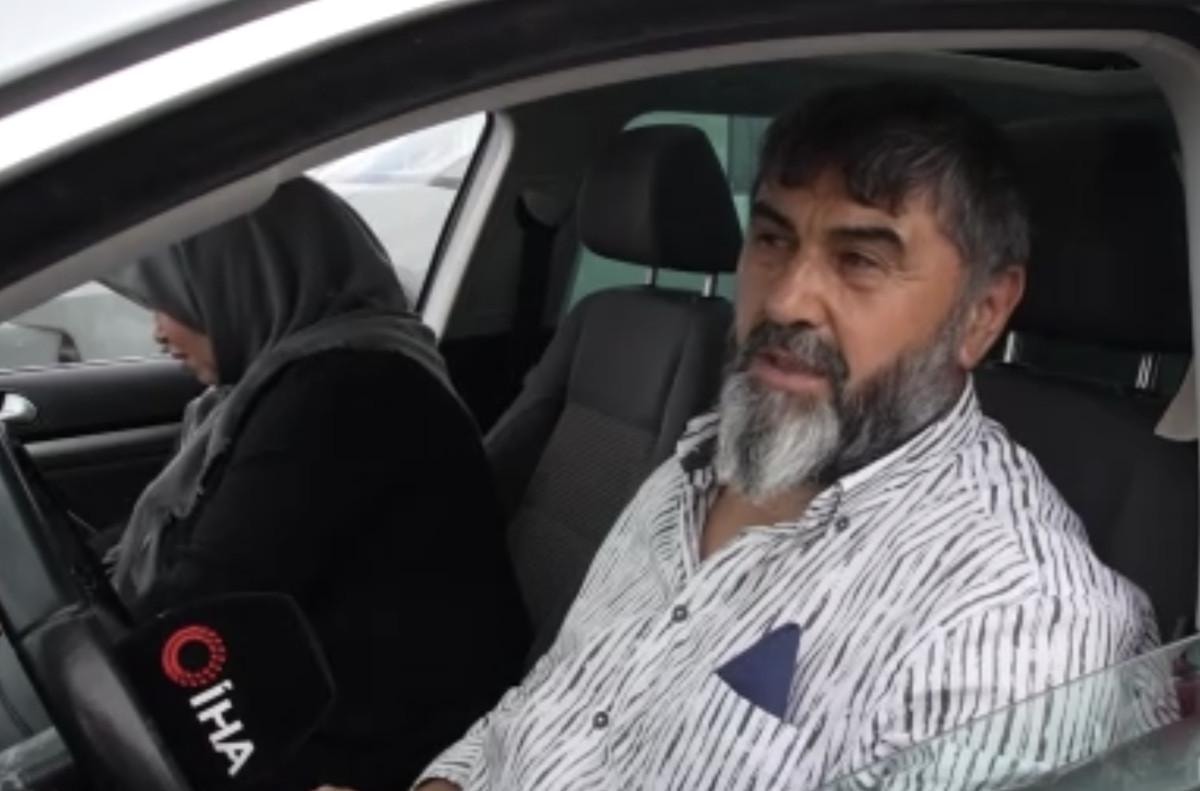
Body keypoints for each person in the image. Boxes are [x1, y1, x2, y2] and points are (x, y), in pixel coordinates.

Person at [325, 83, 1173, 791]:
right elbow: (546, 709)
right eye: (771, 238)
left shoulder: (1025, 628)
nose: (788, 298)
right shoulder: (701, 461)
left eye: (861, 259)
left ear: (982, 313)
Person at [103, 177, 529, 791]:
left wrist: (78, 652)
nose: (158, 331)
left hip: (379, 746)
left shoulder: (346, 393)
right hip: (316, 701)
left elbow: (202, 600)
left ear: (242, 279)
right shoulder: (291, 380)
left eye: (173, 300)